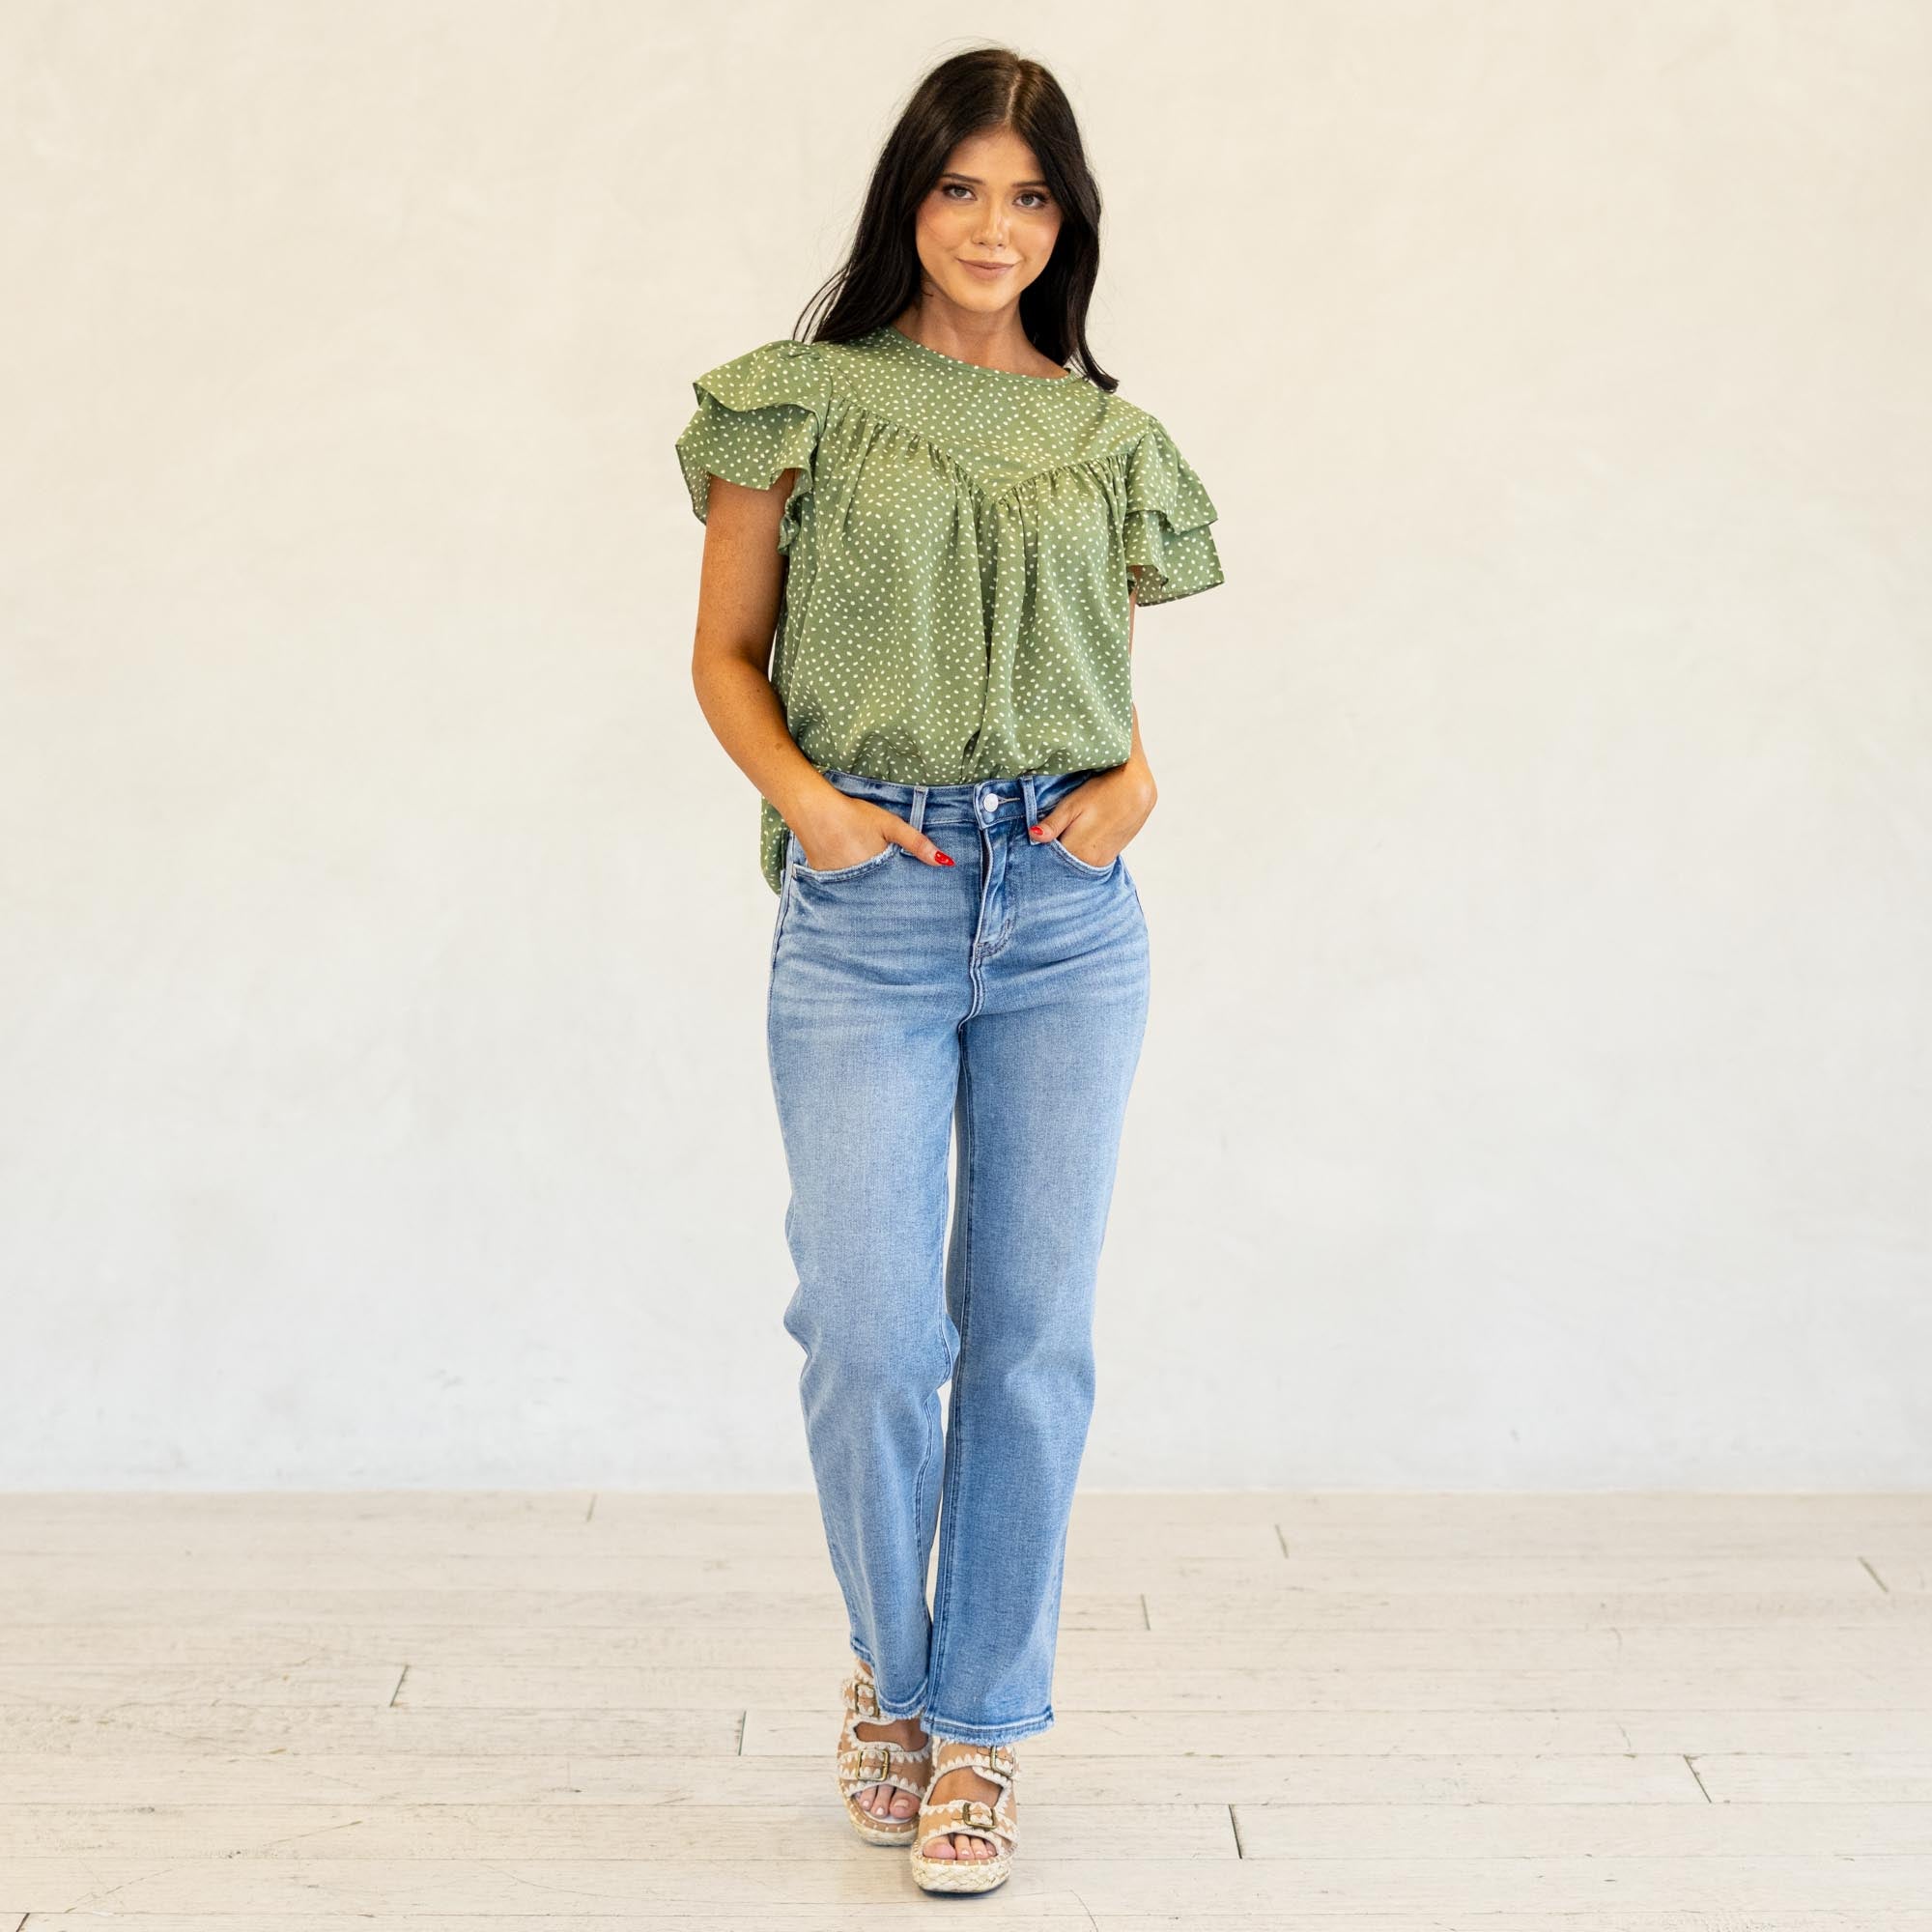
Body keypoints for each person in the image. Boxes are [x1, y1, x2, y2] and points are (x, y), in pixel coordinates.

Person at [674, 45, 1224, 1896]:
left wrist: (1134, 785)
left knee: (1033, 1337)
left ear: (1070, 221)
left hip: (1067, 911)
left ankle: (979, 1725)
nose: (996, 227)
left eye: (1032, 195)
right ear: (908, 197)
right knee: (869, 1331)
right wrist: (815, 812)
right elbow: (725, 656)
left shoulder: (1111, 442)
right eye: (963, 187)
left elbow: (1092, 680)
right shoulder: (797, 402)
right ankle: (890, 1680)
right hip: (875, 904)